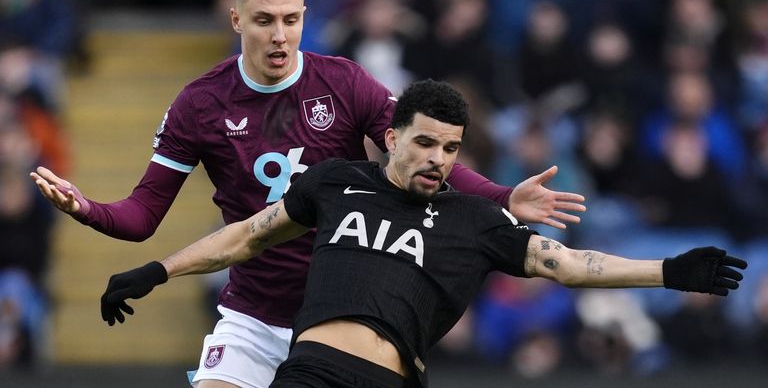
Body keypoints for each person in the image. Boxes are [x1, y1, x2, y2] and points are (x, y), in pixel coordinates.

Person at [28, 0, 586, 388]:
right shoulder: (200, 103)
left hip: (341, 316)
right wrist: (88, 209)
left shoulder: (344, 82)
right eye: (265, 20)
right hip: (253, 310)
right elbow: (142, 215)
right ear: (236, 19)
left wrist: (503, 196)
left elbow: (424, 158)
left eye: (291, 20)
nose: (279, 35)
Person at [101, 79, 747, 388]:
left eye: (452, 148)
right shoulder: (336, 182)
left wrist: (667, 271)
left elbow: (570, 264)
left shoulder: (475, 219)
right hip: (314, 373)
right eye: (426, 142)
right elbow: (246, 237)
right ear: (392, 138)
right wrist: (155, 271)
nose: (440, 158)